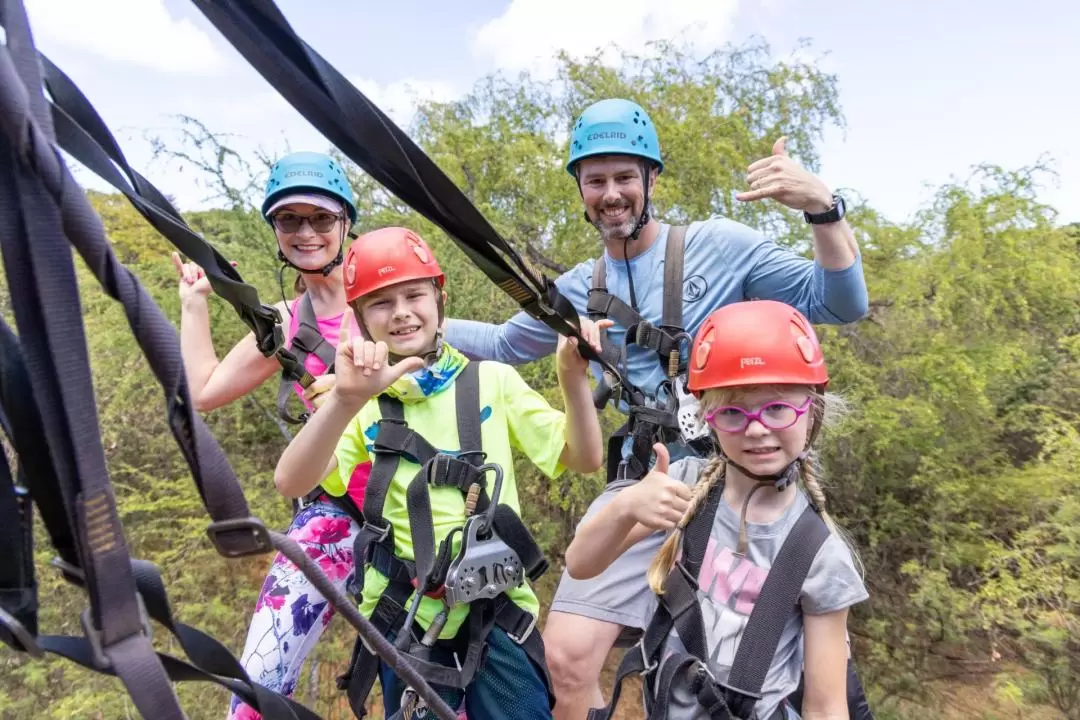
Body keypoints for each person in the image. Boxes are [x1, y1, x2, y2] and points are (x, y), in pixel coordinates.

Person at [443, 98, 870, 718]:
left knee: (770, 663)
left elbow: (839, 302)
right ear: (581, 191)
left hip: (739, 467)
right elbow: (507, 344)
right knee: (564, 658)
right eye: (596, 180)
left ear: (651, 180)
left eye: (624, 177)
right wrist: (414, 317)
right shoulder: (577, 291)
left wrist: (822, 209)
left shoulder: (719, 247)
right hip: (653, 478)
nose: (611, 194)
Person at [273, 226, 607, 719]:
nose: (402, 312)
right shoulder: (359, 402)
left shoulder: (491, 380)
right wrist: (345, 399)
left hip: (499, 611)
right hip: (404, 620)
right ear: (361, 320)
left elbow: (583, 458)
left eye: (414, 295)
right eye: (381, 303)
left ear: (439, 299)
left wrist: (572, 381)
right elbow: (293, 481)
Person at [565, 299, 868, 719]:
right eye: (732, 412)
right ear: (706, 418)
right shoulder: (684, 490)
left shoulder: (819, 555)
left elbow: (826, 705)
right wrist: (628, 506)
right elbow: (580, 564)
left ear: (810, 410)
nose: (757, 428)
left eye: (778, 408)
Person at [171, 150, 368, 719]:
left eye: (320, 219)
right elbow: (204, 390)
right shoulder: (284, 324)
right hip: (334, 513)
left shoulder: (389, 298)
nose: (306, 233)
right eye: (290, 220)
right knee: (256, 687)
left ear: (345, 223)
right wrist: (195, 306)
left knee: (437, 682)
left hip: (413, 511)